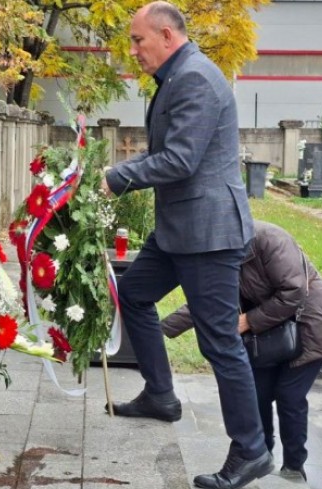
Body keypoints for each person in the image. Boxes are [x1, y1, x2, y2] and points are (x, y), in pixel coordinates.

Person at [99, 3, 272, 488]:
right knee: (134, 294)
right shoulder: (176, 75)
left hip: (208, 235)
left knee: (219, 341)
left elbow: (179, 159)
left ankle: (252, 450)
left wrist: (116, 178)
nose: (134, 51)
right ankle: (160, 395)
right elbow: (168, 151)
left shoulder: (194, 76)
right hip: (180, 228)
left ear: (167, 35)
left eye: (138, 40)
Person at [161, 220, 322, 482]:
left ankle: (294, 466)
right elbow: (207, 299)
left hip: (312, 327)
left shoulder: (270, 239)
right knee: (256, 393)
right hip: (270, 333)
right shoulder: (222, 252)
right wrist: (159, 329)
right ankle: (259, 456)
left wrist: (248, 321)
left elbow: (294, 291)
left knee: (289, 396)